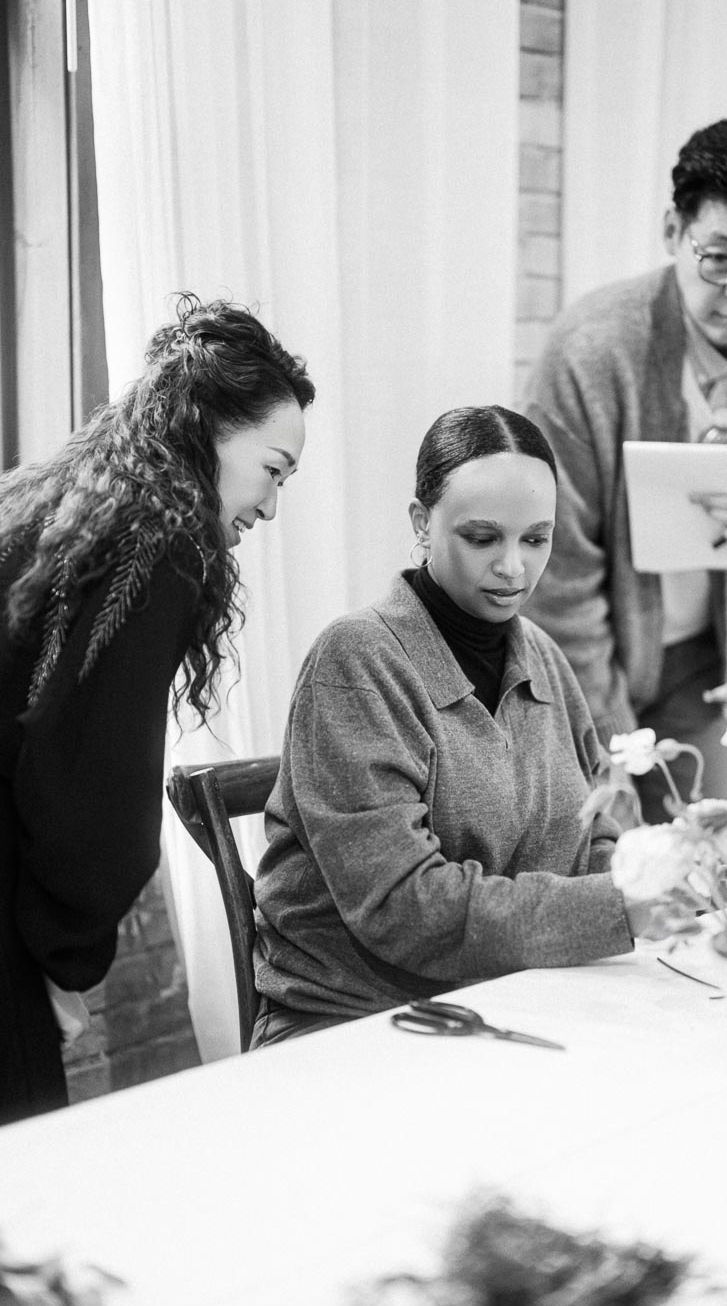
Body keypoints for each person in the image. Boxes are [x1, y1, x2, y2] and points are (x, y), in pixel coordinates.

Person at [251, 405, 689, 1047]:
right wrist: (620, 908)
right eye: (483, 538)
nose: (514, 567)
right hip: (356, 1025)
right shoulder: (356, 663)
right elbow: (406, 910)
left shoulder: (542, 654)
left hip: (517, 1001)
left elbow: (593, 837)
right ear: (422, 524)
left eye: (536, 539)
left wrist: (665, 879)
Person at [0, 293, 314, 1123]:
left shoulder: (74, 502)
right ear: (210, 427)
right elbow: (90, 787)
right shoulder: (162, 540)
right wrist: (66, 965)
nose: (271, 506)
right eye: (273, 470)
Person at [521, 113, 727, 823]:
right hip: (572, 654)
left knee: (695, 873)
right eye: (719, 259)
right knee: (605, 866)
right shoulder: (592, 348)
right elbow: (558, 570)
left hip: (701, 658)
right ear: (674, 232)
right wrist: (610, 752)